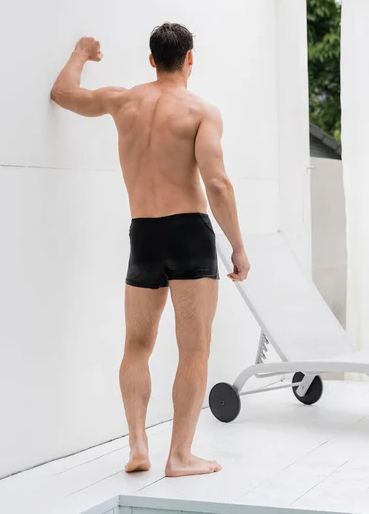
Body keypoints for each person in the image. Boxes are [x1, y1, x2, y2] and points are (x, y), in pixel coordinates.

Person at [51, 23, 250, 478]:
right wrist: (238, 246)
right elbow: (217, 183)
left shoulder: (124, 101)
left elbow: (63, 95)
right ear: (190, 59)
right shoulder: (201, 110)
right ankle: (180, 456)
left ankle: (138, 444)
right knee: (194, 349)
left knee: (137, 345)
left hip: (143, 232)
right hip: (189, 234)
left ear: (151, 60)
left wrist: (81, 52)